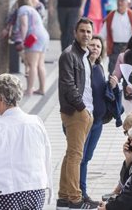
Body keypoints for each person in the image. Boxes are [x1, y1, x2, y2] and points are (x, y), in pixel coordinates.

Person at [0, 74, 53, 209]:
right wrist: (49, 187)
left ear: (0, 99)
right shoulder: (36, 122)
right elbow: (46, 157)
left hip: (6, 191)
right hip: (36, 188)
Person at [57, 18, 98, 209]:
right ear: (75, 32)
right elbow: (68, 86)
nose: (86, 35)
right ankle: (75, 199)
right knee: (76, 156)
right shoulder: (69, 55)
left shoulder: (84, 55)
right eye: (82, 31)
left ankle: (64, 196)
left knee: (71, 154)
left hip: (85, 111)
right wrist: (82, 108)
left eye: (89, 32)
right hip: (76, 111)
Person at [80, 36, 118, 204]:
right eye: (92, 45)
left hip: (97, 122)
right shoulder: (82, 67)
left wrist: (113, 85)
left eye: (98, 46)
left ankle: (82, 192)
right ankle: (80, 193)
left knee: (86, 157)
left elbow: (102, 91)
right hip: (85, 120)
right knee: (80, 158)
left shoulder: (99, 67)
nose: (95, 48)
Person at [12, 0, 50, 96]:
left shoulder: (23, 9)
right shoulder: (32, 10)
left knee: (32, 65)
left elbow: (24, 24)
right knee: (40, 64)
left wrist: (23, 40)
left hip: (33, 37)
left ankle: (29, 90)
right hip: (44, 36)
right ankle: (42, 89)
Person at [102, 0, 132, 73]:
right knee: (113, 71)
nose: (120, 3)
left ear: (128, 3)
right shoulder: (111, 16)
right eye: (118, 0)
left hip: (129, 47)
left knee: (129, 70)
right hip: (114, 48)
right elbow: (102, 34)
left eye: (122, 1)